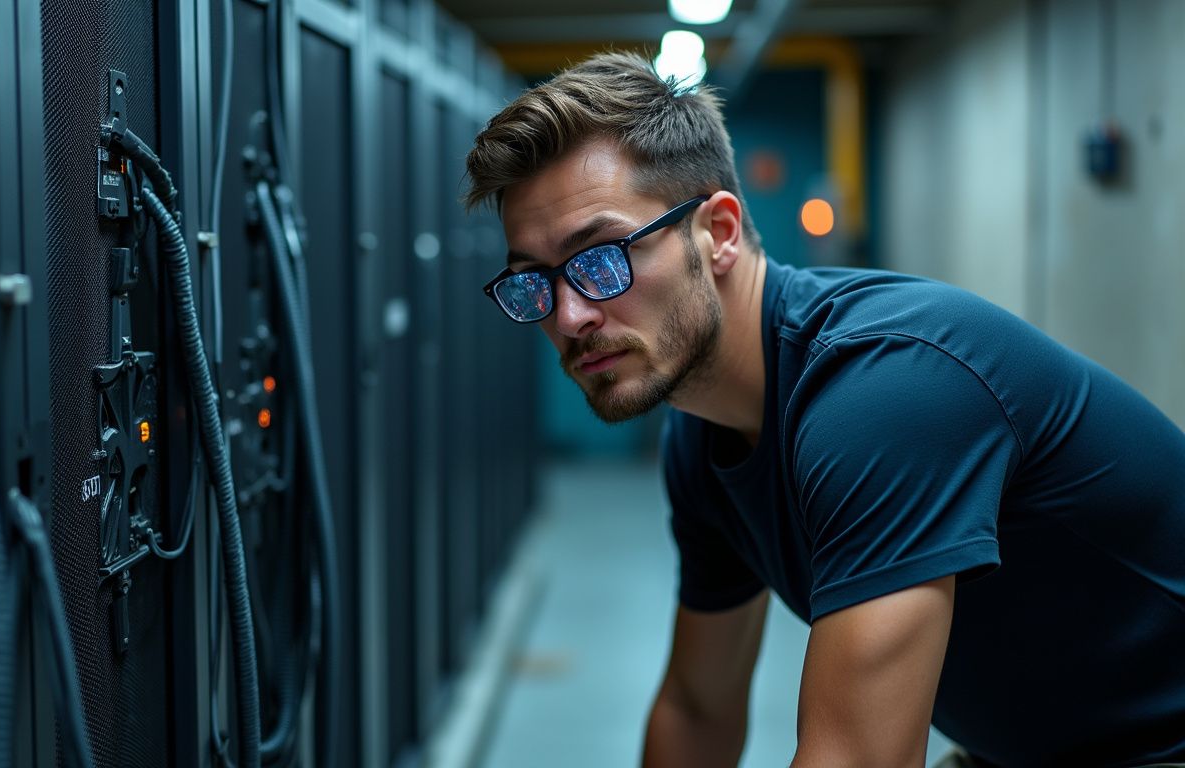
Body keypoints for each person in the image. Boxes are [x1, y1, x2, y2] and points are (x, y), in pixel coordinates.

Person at [463, 52, 1185, 767]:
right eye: (536, 284)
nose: (569, 315)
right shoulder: (704, 435)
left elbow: (857, 759)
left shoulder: (886, 391)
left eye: (599, 258)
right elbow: (699, 708)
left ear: (717, 232)